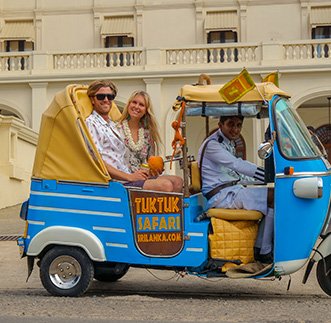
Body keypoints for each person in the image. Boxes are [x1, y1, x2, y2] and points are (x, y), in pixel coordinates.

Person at [198, 115, 274, 266]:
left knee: (273, 193)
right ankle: (263, 250)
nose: (235, 129)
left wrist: (266, 180)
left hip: (230, 191)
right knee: (274, 197)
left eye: (238, 125)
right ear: (220, 124)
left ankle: (260, 246)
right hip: (221, 196)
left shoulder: (227, 143)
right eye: (230, 124)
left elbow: (237, 176)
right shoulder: (213, 145)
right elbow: (237, 164)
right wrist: (269, 175)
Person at [85, 80, 182, 193]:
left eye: (110, 96)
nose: (106, 100)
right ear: (92, 99)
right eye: (101, 96)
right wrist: (129, 176)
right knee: (165, 186)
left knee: (178, 181)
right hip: (119, 180)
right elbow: (95, 160)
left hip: (130, 175)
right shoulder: (93, 123)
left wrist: (151, 169)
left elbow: (146, 160)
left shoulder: (110, 124)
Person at [117, 90, 183, 192]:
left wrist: (154, 170)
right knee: (166, 185)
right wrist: (131, 175)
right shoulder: (116, 129)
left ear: (146, 110)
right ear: (129, 104)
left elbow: (149, 162)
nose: (137, 107)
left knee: (178, 181)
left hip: (143, 177)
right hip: (125, 178)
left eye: (141, 105)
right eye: (134, 102)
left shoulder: (147, 133)